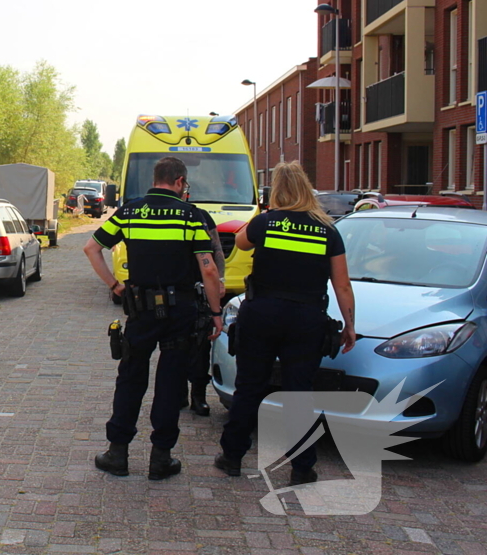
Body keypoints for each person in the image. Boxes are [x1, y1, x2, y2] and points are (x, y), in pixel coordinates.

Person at [214, 161, 357, 486]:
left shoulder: (265, 222)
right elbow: (342, 285)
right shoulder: (328, 230)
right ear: (307, 189)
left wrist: (267, 213)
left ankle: (232, 457)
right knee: (299, 393)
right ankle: (302, 467)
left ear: (276, 191)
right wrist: (349, 325)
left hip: (261, 314)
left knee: (249, 387)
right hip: (306, 319)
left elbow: (240, 241)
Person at [84, 156, 224, 481]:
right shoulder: (190, 215)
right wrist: (216, 312)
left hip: (141, 311)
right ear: (180, 181)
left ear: (155, 179)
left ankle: (117, 453)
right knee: (171, 383)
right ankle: (161, 458)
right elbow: (208, 268)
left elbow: (91, 248)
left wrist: (115, 286)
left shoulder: (130, 211)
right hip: (180, 313)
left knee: (131, 378)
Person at [181, 199, 225, 417]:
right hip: (177, 290)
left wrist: (220, 280)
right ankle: (179, 392)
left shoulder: (201, 216)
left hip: (200, 290)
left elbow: (216, 249)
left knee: (201, 343)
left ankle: (198, 396)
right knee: (176, 346)